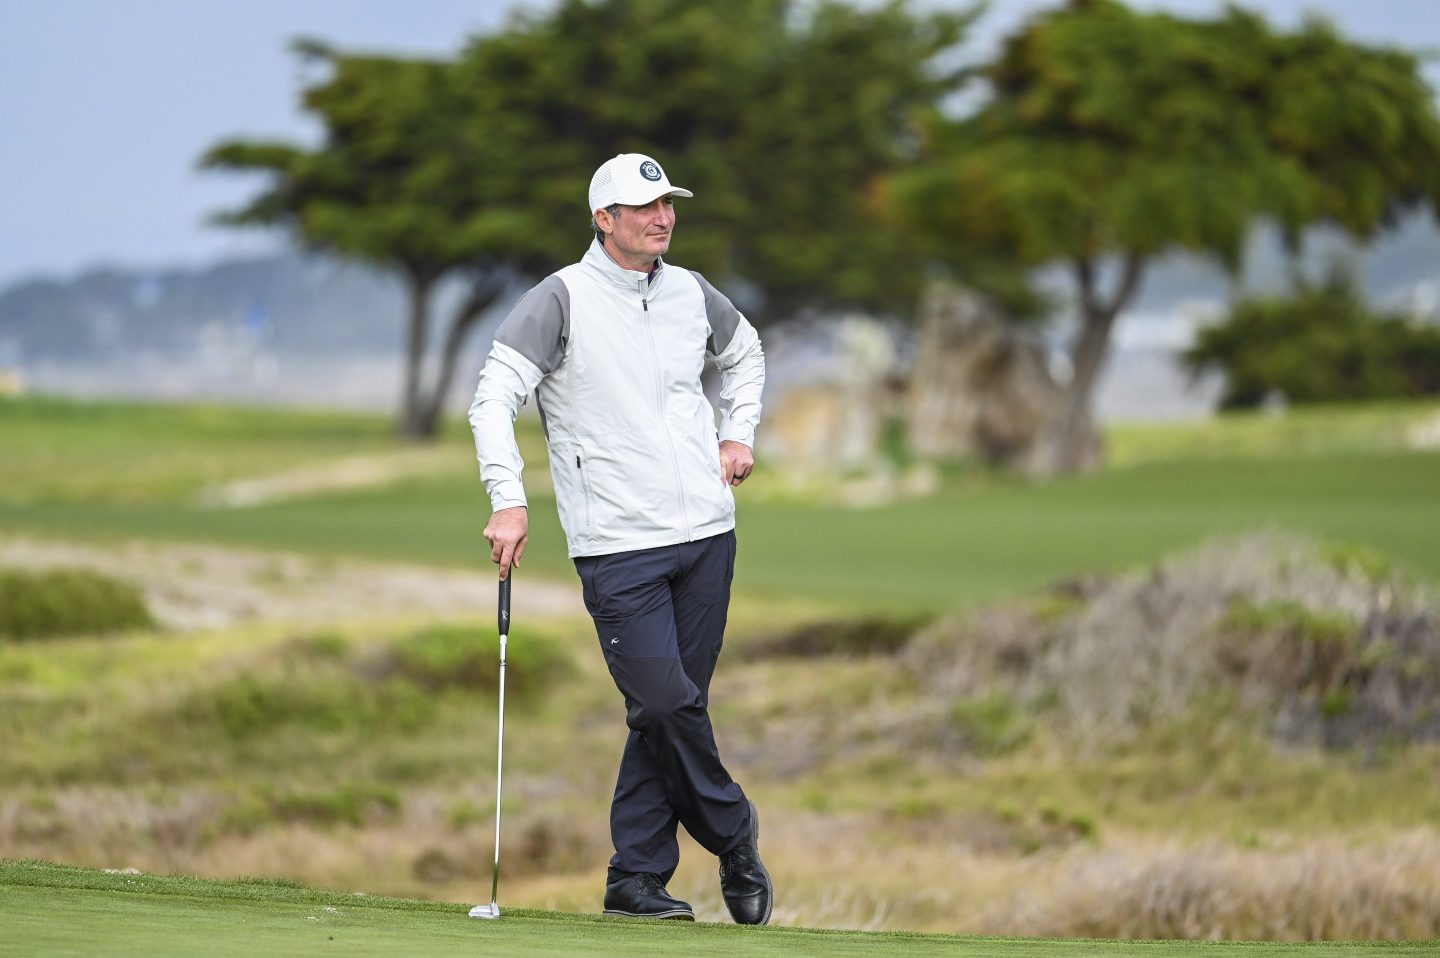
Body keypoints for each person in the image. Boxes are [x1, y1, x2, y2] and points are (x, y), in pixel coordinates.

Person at [468, 153, 771, 924]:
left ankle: (635, 880)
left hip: (707, 533)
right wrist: (509, 498)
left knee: (666, 712)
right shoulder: (560, 299)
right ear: (604, 219)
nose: (662, 218)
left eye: (668, 205)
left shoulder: (690, 292)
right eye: (644, 208)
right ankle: (734, 833)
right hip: (617, 545)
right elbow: (492, 398)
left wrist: (738, 434)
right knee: (667, 705)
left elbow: (745, 354)